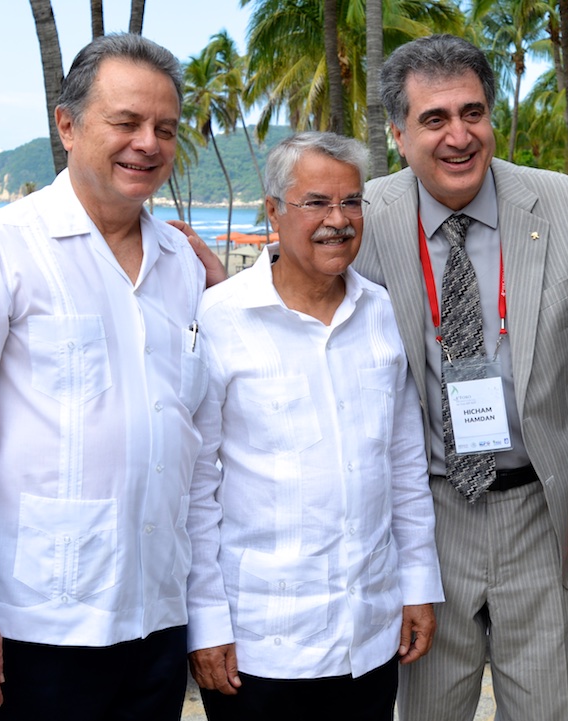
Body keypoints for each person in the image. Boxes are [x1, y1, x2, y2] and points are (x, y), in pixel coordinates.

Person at [0, 33, 222, 720]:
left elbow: (197, 441)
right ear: (67, 124)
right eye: (126, 122)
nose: (148, 143)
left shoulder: (183, 265)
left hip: (157, 616)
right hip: (39, 622)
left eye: (165, 129)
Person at [353, 34, 568, 720]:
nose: (459, 136)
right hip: (424, 517)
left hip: (545, 518)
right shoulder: (361, 216)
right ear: (397, 133)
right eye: (434, 119)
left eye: (472, 113)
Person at [186, 131, 443, 721]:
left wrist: (418, 587)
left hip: (370, 634)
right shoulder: (220, 319)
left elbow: (404, 467)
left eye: (351, 202)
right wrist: (206, 622)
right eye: (317, 203)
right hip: (262, 643)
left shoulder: (381, 313)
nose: (338, 220)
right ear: (274, 210)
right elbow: (196, 488)